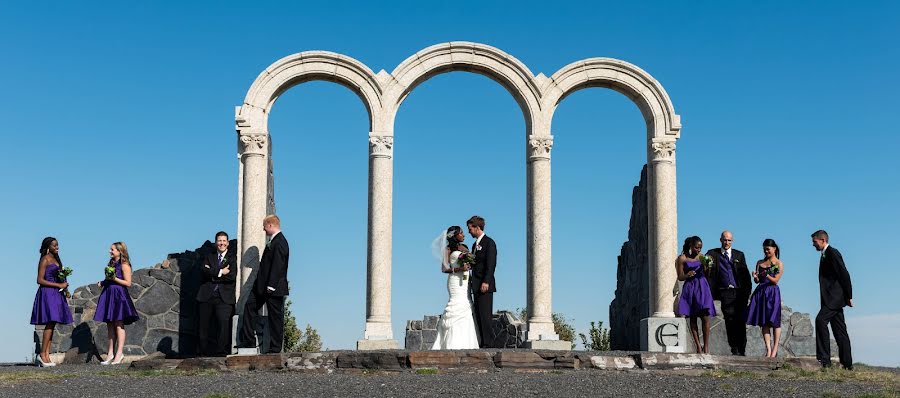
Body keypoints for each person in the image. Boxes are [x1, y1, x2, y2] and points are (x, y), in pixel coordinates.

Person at [238, 215, 289, 353]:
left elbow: (278, 265)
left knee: (275, 318)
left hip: (273, 288)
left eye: (264, 226)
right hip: (261, 287)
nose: (263, 229)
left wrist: (271, 286)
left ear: (270, 225)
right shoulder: (273, 241)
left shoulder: (280, 242)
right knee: (249, 306)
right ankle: (248, 342)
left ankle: (275, 348)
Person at [431, 226, 479, 350]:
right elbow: (444, 269)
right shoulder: (448, 249)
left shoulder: (466, 248)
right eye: (461, 233)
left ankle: (466, 344)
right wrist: (459, 269)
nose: (464, 235)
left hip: (465, 281)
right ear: (454, 235)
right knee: (456, 305)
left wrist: (469, 265)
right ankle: (451, 344)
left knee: (466, 306)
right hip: (454, 281)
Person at [812, 230, 853, 370]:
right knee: (840, 330)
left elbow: (844, 274)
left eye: (814, 242)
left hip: (834, 298)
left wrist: (849, 296)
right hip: (830, 298)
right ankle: (847, 364)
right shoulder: (824, 254)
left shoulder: (832, 253)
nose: (813, 245)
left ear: (822, 240)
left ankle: (825, 360)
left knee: (820, 320)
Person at [706, 230, 752, 356]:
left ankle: (742, 348)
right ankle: (734, 348)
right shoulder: (712, 254)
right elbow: (705, 268)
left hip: (739, 292)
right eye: (725, 240)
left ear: (732, 241)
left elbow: (745, 275)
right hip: (724, 292)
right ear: (720, 240)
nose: (727, 242)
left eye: (729, 240)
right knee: (730, 321)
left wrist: (747, 292)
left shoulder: (739, 255)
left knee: (741, 321)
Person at [30, 237, 74, 367]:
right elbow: (39, 280)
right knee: (49, 323)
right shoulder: (45, 259)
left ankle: (46, 355)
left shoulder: (57, 260)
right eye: (54, 245)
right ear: (48, 246)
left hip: (56, 294)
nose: (57, 247)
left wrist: (64, 286)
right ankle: (43, 355)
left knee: (53, 324)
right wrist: (57, 284)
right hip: (48, 293)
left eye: (58, 245)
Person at [94, 242, 139, 365]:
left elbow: (128, 283)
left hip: (119, 295)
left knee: (119, 324)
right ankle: (110, 354)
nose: (110, 251)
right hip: (108, 294)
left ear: (120, 251)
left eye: (112, 249)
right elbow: (109, 279)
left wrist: (114, 279)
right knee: (109, 324)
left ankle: (119, 354)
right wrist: (103, 282)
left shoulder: (124, 264)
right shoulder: (111, 263)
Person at [196, 231, 237, 356]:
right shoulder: (209, 256)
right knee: (203, 326)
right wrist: (220, 272)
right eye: (219, 241)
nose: (222, 243)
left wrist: (212, 273)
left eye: (224, 241)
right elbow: (203, 271)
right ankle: (202, 352)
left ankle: (221, 352)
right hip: (206, 296)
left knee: (223, 325)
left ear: (228, 243)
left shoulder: (232, 258)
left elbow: (231, 276)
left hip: (224, 297)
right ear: (215, 243)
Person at [675, 236, 716, 353]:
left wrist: (707, 266)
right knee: (692, 318)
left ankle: (706, 347)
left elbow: (708, 274)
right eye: (696, 248)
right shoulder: (682, 259)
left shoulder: (703, 257)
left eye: (700, 248)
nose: (698, 250)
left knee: (705, 317)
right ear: (691, 246)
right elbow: (680, 276)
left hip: (702, 287)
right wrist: (687, 275)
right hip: (690, 288)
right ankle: (698, 346)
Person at [746, 239, 784, 358]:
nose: (766, 251)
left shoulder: (779, 264)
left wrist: (766, 274)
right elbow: (757, 281)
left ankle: (775, 349)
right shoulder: (759, 262)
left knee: (775, 321)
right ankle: (768, 349)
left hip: (772, 293)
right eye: (764, 249)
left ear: (774, 249)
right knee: (764, 322)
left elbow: (776, 281)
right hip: (761, 293)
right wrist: (755, 277)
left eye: (768, 248)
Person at [467, 215, 497, 348]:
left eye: (470, 228)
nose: (468, 231)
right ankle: (482, 342)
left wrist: (486, 281)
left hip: (485, 285)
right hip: (476, 284)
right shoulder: (475, 244)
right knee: (479, 314)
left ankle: (489, 343)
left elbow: (491, 265)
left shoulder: (489, 243)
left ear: (477, 227)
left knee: (485, 315)